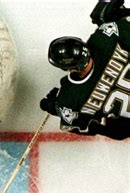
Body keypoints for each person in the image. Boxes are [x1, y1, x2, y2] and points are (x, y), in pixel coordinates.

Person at [40, 0, 130, 140]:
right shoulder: (104, 39)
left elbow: (113, 132)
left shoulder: (68, 99)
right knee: (102, 14)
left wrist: (58, 109)